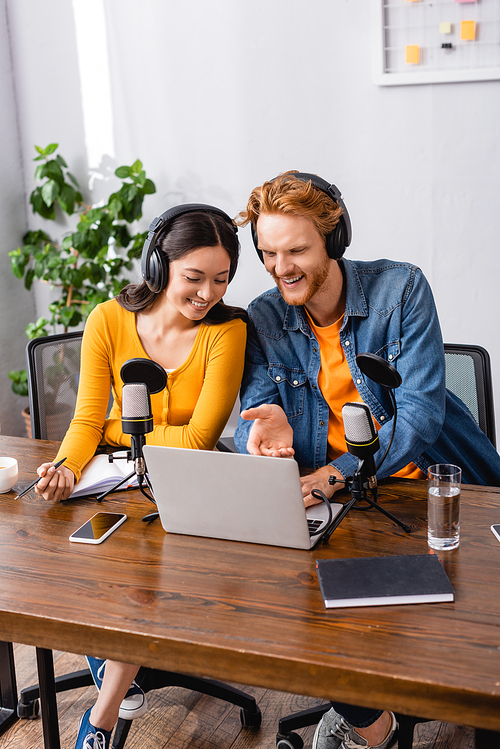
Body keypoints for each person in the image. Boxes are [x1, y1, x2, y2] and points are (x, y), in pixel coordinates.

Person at [233, 171, 500, 749]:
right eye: (268, 253)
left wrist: (335, 475)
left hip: (430, 490)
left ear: (335, 240)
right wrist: (262, 431)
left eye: (297, 250)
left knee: (478, 644)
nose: (282, 268)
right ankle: (373, 726)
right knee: (295, 603)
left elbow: (421, 417)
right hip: (342, 508)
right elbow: (251, 414)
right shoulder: (264, 316)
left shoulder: (400, 289)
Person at [34, 204, 247, 749]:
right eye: (194, 278)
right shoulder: (108, 319)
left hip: (189, 484)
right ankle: (122, 670)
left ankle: (99, 722)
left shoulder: (227, 332)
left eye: (221, 279)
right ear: (159, 265)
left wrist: (120, 432)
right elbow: (86, 418)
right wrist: (65, 466)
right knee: (71, 550)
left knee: (143, 580)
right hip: (114, 478)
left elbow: (201, 439)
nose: (208, 294)